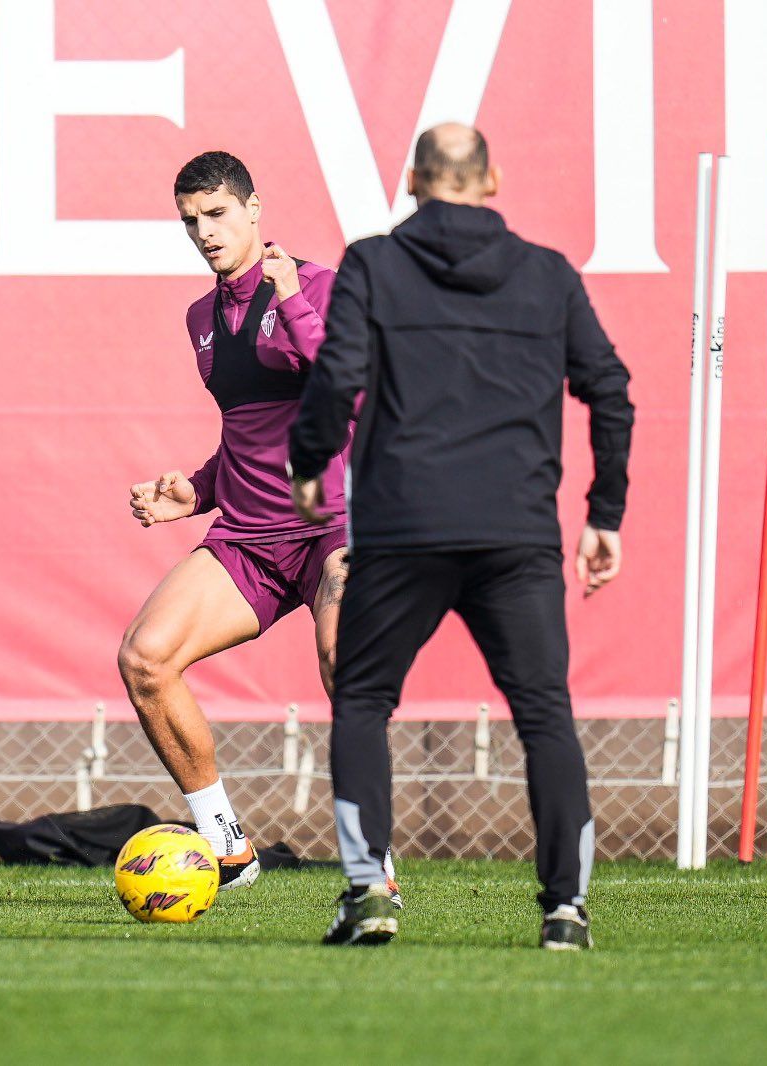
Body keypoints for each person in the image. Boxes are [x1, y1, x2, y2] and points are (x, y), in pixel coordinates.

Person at [288, 124, 634, 947]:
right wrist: (605, 513)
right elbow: (611, 390)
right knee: (544, 713)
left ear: (413, 179)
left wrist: (310, 464)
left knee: (364, 702)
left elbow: (337, 376)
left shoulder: (372, 263)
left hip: (404, 525)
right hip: (514, 531)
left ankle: (370, 893)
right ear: (493, 179)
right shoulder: (547, 275)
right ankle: (565, 910)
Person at [117, 151, 349, 892]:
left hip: (338, 528)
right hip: (249, 538)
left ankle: (370, 868)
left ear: (255, 208)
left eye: (217, 214)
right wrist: (195, 490)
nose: (205, 232)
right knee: (145, 659)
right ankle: (228, 847)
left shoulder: (320, 287)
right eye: (191, 221)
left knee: (348, 665)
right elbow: (249, 432)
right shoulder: (202, 319)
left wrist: (292, 302)